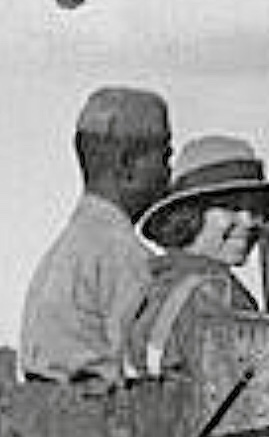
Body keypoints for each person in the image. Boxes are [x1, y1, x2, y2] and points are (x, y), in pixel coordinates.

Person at [18, 86, 173, 385]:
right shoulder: (124, 256)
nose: (169, 173)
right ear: (127, 164)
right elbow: (141, 368)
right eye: (165, 158)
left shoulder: (68, 249)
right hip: (101, 409)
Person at [126, 134, 269, 376]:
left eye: (255, 210)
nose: (249, 222)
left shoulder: (149, 284)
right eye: (231, 207)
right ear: (189, 216)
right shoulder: (214, 291)